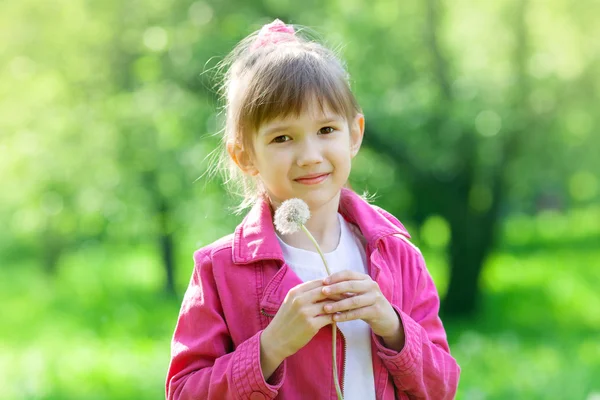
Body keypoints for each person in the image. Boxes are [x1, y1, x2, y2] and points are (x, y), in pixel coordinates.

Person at [166, 19, 460, 400]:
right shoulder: (219, 271)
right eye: (282, 137)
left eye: (326, 131)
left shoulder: (396, 254)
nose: (310, 156)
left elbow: (442, 388)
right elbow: (184, 393)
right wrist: (269, 348)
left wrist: (392, 326)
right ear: (244, 155)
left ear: (354, 134)